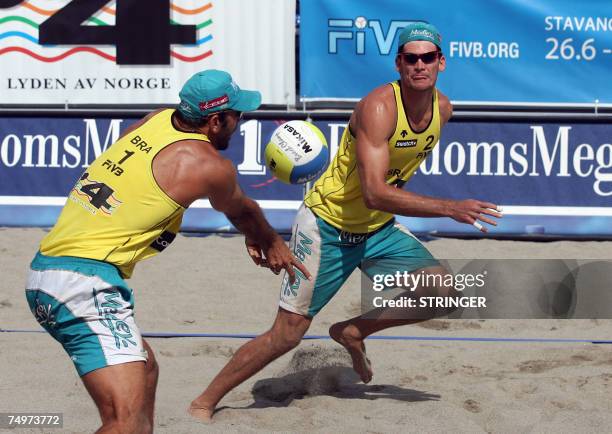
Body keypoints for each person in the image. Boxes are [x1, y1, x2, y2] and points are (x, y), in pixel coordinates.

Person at [190, 22, 502, 420]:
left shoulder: (443, 108)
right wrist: (450, 208)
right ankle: (204, 401)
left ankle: (354, 331)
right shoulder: (378, 107)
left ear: (441, 63)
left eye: (427, 58)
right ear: (399, 64)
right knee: (287, 334)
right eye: (411, 58)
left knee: (443, 293)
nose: (419, 65)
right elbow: (374, 190)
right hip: (327, 225)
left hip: (376, 228)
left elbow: (386, 187)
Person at [25, 69, 309, 433]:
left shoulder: (157, 119)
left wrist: (254, 235)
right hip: (82, 284)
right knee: (123, 424)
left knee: (145, 370)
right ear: (215, 120)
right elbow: (243, 210)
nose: (240, 122)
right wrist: (270, 241)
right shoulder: (208, 165)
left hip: (48, 270)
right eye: (237, 115)